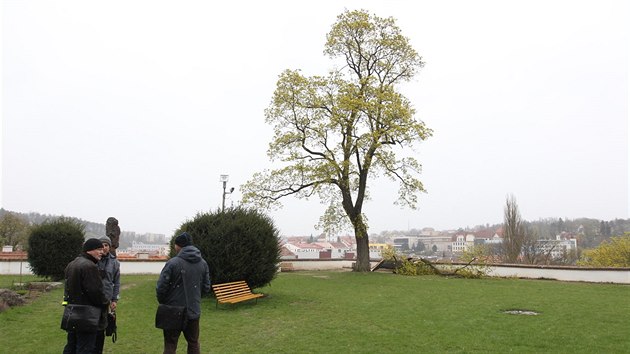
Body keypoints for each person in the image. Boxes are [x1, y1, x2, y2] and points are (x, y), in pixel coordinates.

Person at [156, 232, 211, 354]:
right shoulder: (203, 263)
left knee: (170, 344)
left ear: (178, 246)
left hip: (172, 310)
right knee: (193, 343)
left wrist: (164, 301)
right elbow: (206, 287)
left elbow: (161, 287)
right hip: (193, 309)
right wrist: (195, 297)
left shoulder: (172, 263)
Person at [63, 238, 110, 354]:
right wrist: (106, 302)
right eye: (98, 249)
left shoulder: (72, 264)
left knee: (71, 346)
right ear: (89, 250)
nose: (102, 252)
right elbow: (96, 292)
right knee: (85, 348)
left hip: (73, 312)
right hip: (87, 315)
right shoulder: (90, 266)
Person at [95, 236, 120, 353]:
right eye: (102, 245)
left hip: (106, 300)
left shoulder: (115, 262)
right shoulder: (93, 259)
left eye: (106, 245)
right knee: (92, 326)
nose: (104, 248)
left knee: (102, 327)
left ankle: (99, 350)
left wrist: (114, 300)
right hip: (93, 299)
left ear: (109, 247)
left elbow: (117, 282)